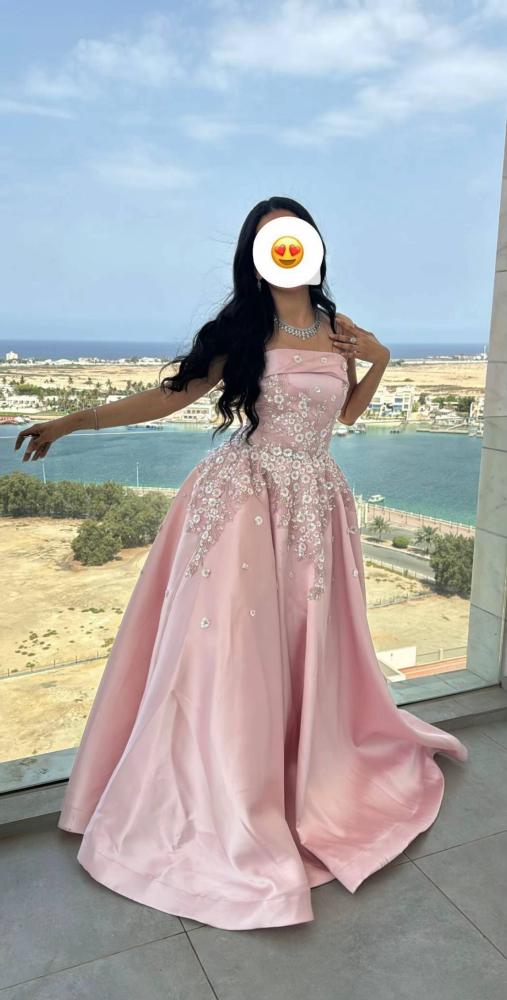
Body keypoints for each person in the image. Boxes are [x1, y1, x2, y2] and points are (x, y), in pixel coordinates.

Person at [15, 196, 468, 932]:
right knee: (227, 651)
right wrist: (73, 422)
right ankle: (226, 787)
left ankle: (301, 766)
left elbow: (345, 415)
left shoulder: (336, 326)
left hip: (315, 501)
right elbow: (170, 397)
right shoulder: (240, 330)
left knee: (301, 644)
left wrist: (378, 358)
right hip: (244, 501)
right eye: (269, 240)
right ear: (255, 255)